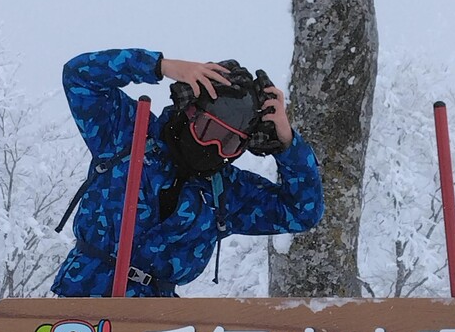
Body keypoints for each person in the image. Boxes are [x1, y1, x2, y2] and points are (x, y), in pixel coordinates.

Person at [50, 48, 323, 298]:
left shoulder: (226, 194)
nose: (215, 148)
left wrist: (288, 145)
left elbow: (302, 211)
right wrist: (161, 66)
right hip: (79, 305)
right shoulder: (127, 135)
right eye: (210, 131)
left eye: (230, 143)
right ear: (189, 111)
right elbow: (79, 76)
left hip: (152, 327)